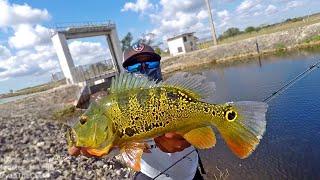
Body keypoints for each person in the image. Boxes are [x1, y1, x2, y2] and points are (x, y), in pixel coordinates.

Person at [122, 43, 203, 180]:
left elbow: (202, 129)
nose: (144, 69)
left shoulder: (179, 95)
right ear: (125, 73)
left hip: (192, 172)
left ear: (159, 66)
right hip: (150, 176)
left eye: (151, 63)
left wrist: (189, 135)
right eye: (134, 66)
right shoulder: (122, 108)